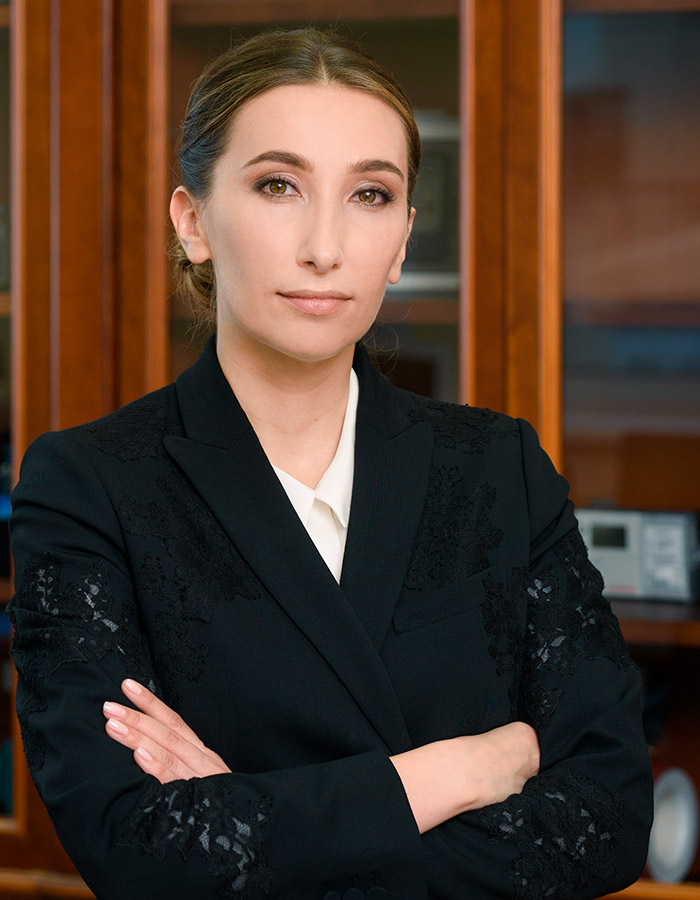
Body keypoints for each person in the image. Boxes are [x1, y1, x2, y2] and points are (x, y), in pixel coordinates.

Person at [8, 26, 652, 900]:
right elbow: (134, 848)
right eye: (279, 185)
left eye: (370, 195)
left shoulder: (499, 467)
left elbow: (609, 820)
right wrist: (458, 771)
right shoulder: (87, 486)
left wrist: (249, 821)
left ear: (403, 240)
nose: (325, 246)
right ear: (193, 222)